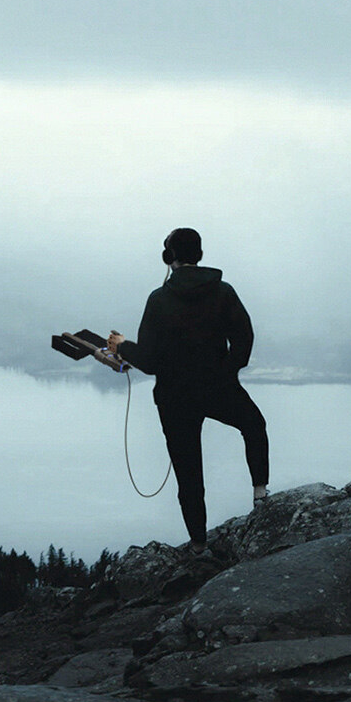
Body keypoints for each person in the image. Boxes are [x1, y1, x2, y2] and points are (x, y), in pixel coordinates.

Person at [110, 228, 269, 553]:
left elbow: (151, 361)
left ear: (170, 258)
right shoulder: (223, 292)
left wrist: (122, 346)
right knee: (254, 426)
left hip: (175, 398)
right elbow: (245, 338)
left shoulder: (160, 299)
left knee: (189, 474)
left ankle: (198, 546)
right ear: (199, 254)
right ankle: (261, 495)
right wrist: (225, 373)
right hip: (218, 388)